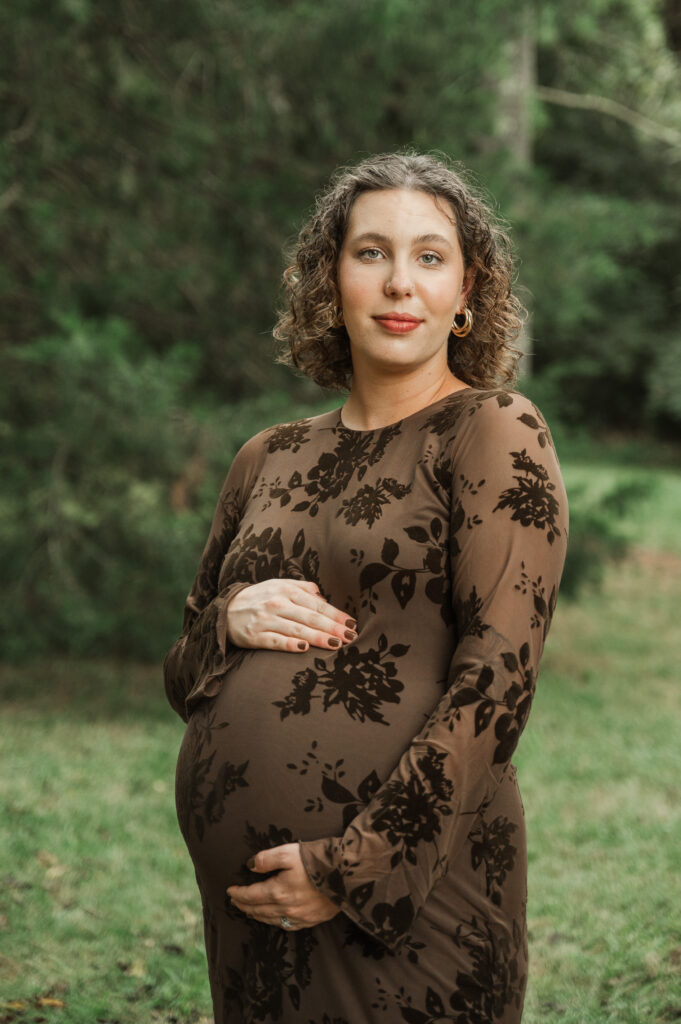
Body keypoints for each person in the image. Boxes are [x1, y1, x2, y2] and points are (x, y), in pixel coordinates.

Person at [163, 150, 568, 1024]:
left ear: (467, 294)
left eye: (429, 257)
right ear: (329, 281)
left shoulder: (491, 430)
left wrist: (355, 868)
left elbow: (497, 679)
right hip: (250, 914)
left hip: (410, 898)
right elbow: (180, 674)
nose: (398, 284)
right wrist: (228, 619)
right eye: (370, 253)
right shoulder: (265, 456)